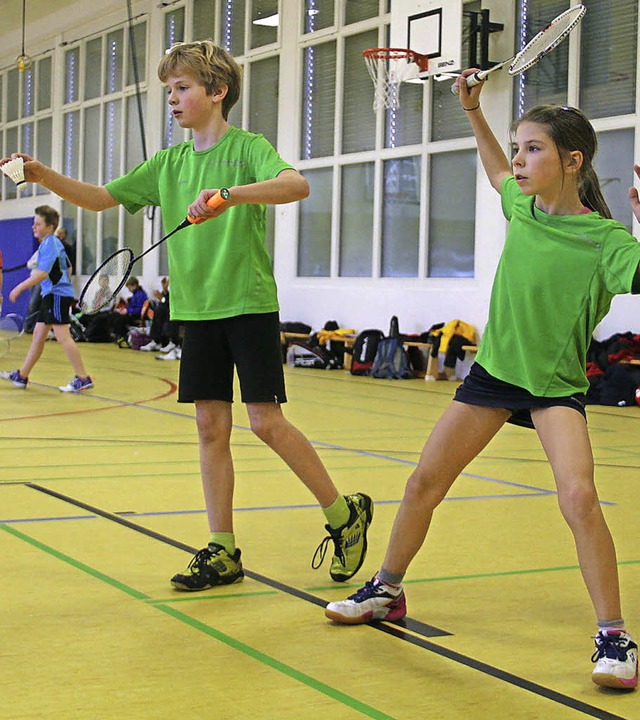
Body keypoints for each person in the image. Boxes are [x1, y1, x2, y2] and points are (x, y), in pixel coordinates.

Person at [0, 41, 373, 591]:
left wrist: (230, 194)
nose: (172, 99)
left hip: (247, 303)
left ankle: (345, 516)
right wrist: (43, 173)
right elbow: (103, 197)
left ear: (216, 92)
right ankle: (222, 550)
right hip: (196, 311)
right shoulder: (169, 163)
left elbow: (297, 184)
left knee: (265, 421)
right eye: (168, 89)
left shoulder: (248, 147)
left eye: (182, 88)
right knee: (209, 426)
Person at [325, 71, 640, 690]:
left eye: (534, 149)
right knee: (423, 483)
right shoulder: (520, 206)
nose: (519, 161)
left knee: (579, 500)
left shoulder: (607, 239)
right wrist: (472, 110)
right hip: (493, 375)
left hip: (554, 388)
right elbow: (496, 172)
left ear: (572, 161)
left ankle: (614, 636)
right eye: (519, 147)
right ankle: (387, 590)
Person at [0, 205, 93, 392]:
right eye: (34, 223)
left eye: (38, 224)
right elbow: (68, 269)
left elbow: (42, 273)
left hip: (57, 296)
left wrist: (18, 288)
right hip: (52, 295)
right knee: (38, 336)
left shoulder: (50, 243)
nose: (34, 227)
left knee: (63, 337)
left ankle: (83, 378)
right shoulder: (52, 244)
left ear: (50, 227)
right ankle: (22, 375)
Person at [140, 276, 182, 359]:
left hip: (180, 309)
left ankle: (174, 342)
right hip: (171, 307)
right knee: (159, 309)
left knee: (171, 312)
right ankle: (156, 341)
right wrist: (164, 292)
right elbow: (166, 302)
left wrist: (162, 297)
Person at [110, 276, 148, 345]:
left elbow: (139, 309)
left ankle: (122, 336)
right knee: (114, 316)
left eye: (129, 287)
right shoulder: (136, 294)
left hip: (136, 315)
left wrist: (127, 311)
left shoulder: (140, 294)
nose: (129, 290)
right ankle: (118, 335)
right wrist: (126, 309)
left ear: (134, 285)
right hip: (133, 313)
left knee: (120, 320)